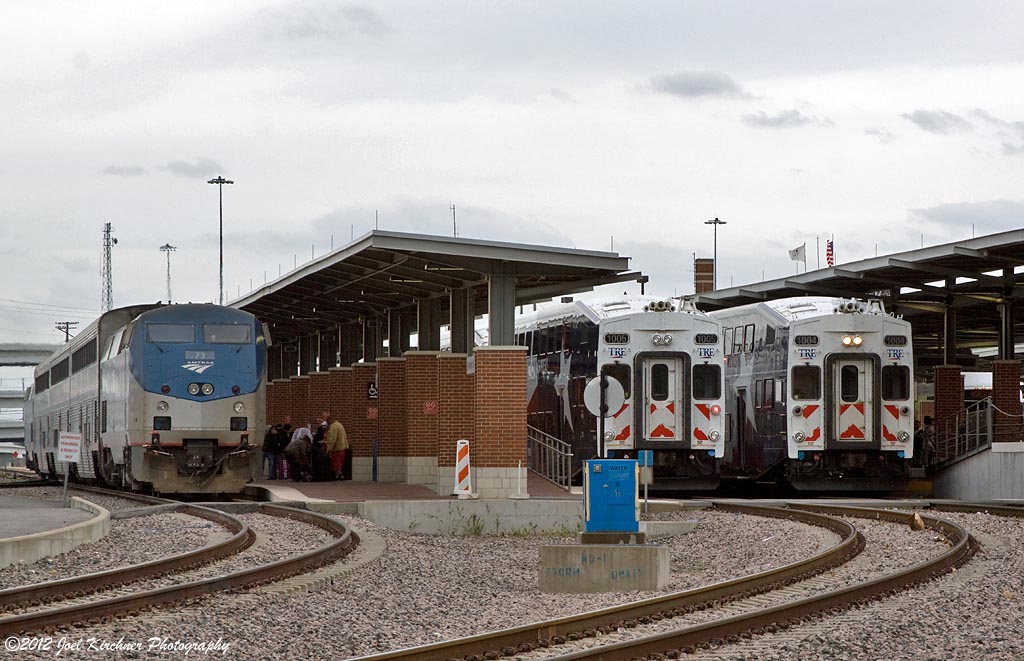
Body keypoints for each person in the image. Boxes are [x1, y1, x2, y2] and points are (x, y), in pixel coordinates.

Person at [324, 411, 349, 480]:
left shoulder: (333, 426)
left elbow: (333, 439)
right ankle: (340, 474)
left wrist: (329, 448)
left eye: (327, 421)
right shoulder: (339, 424)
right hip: (342, 448)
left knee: (336, 464)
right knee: (340, 463)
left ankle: (338, 475)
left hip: (336, 449)